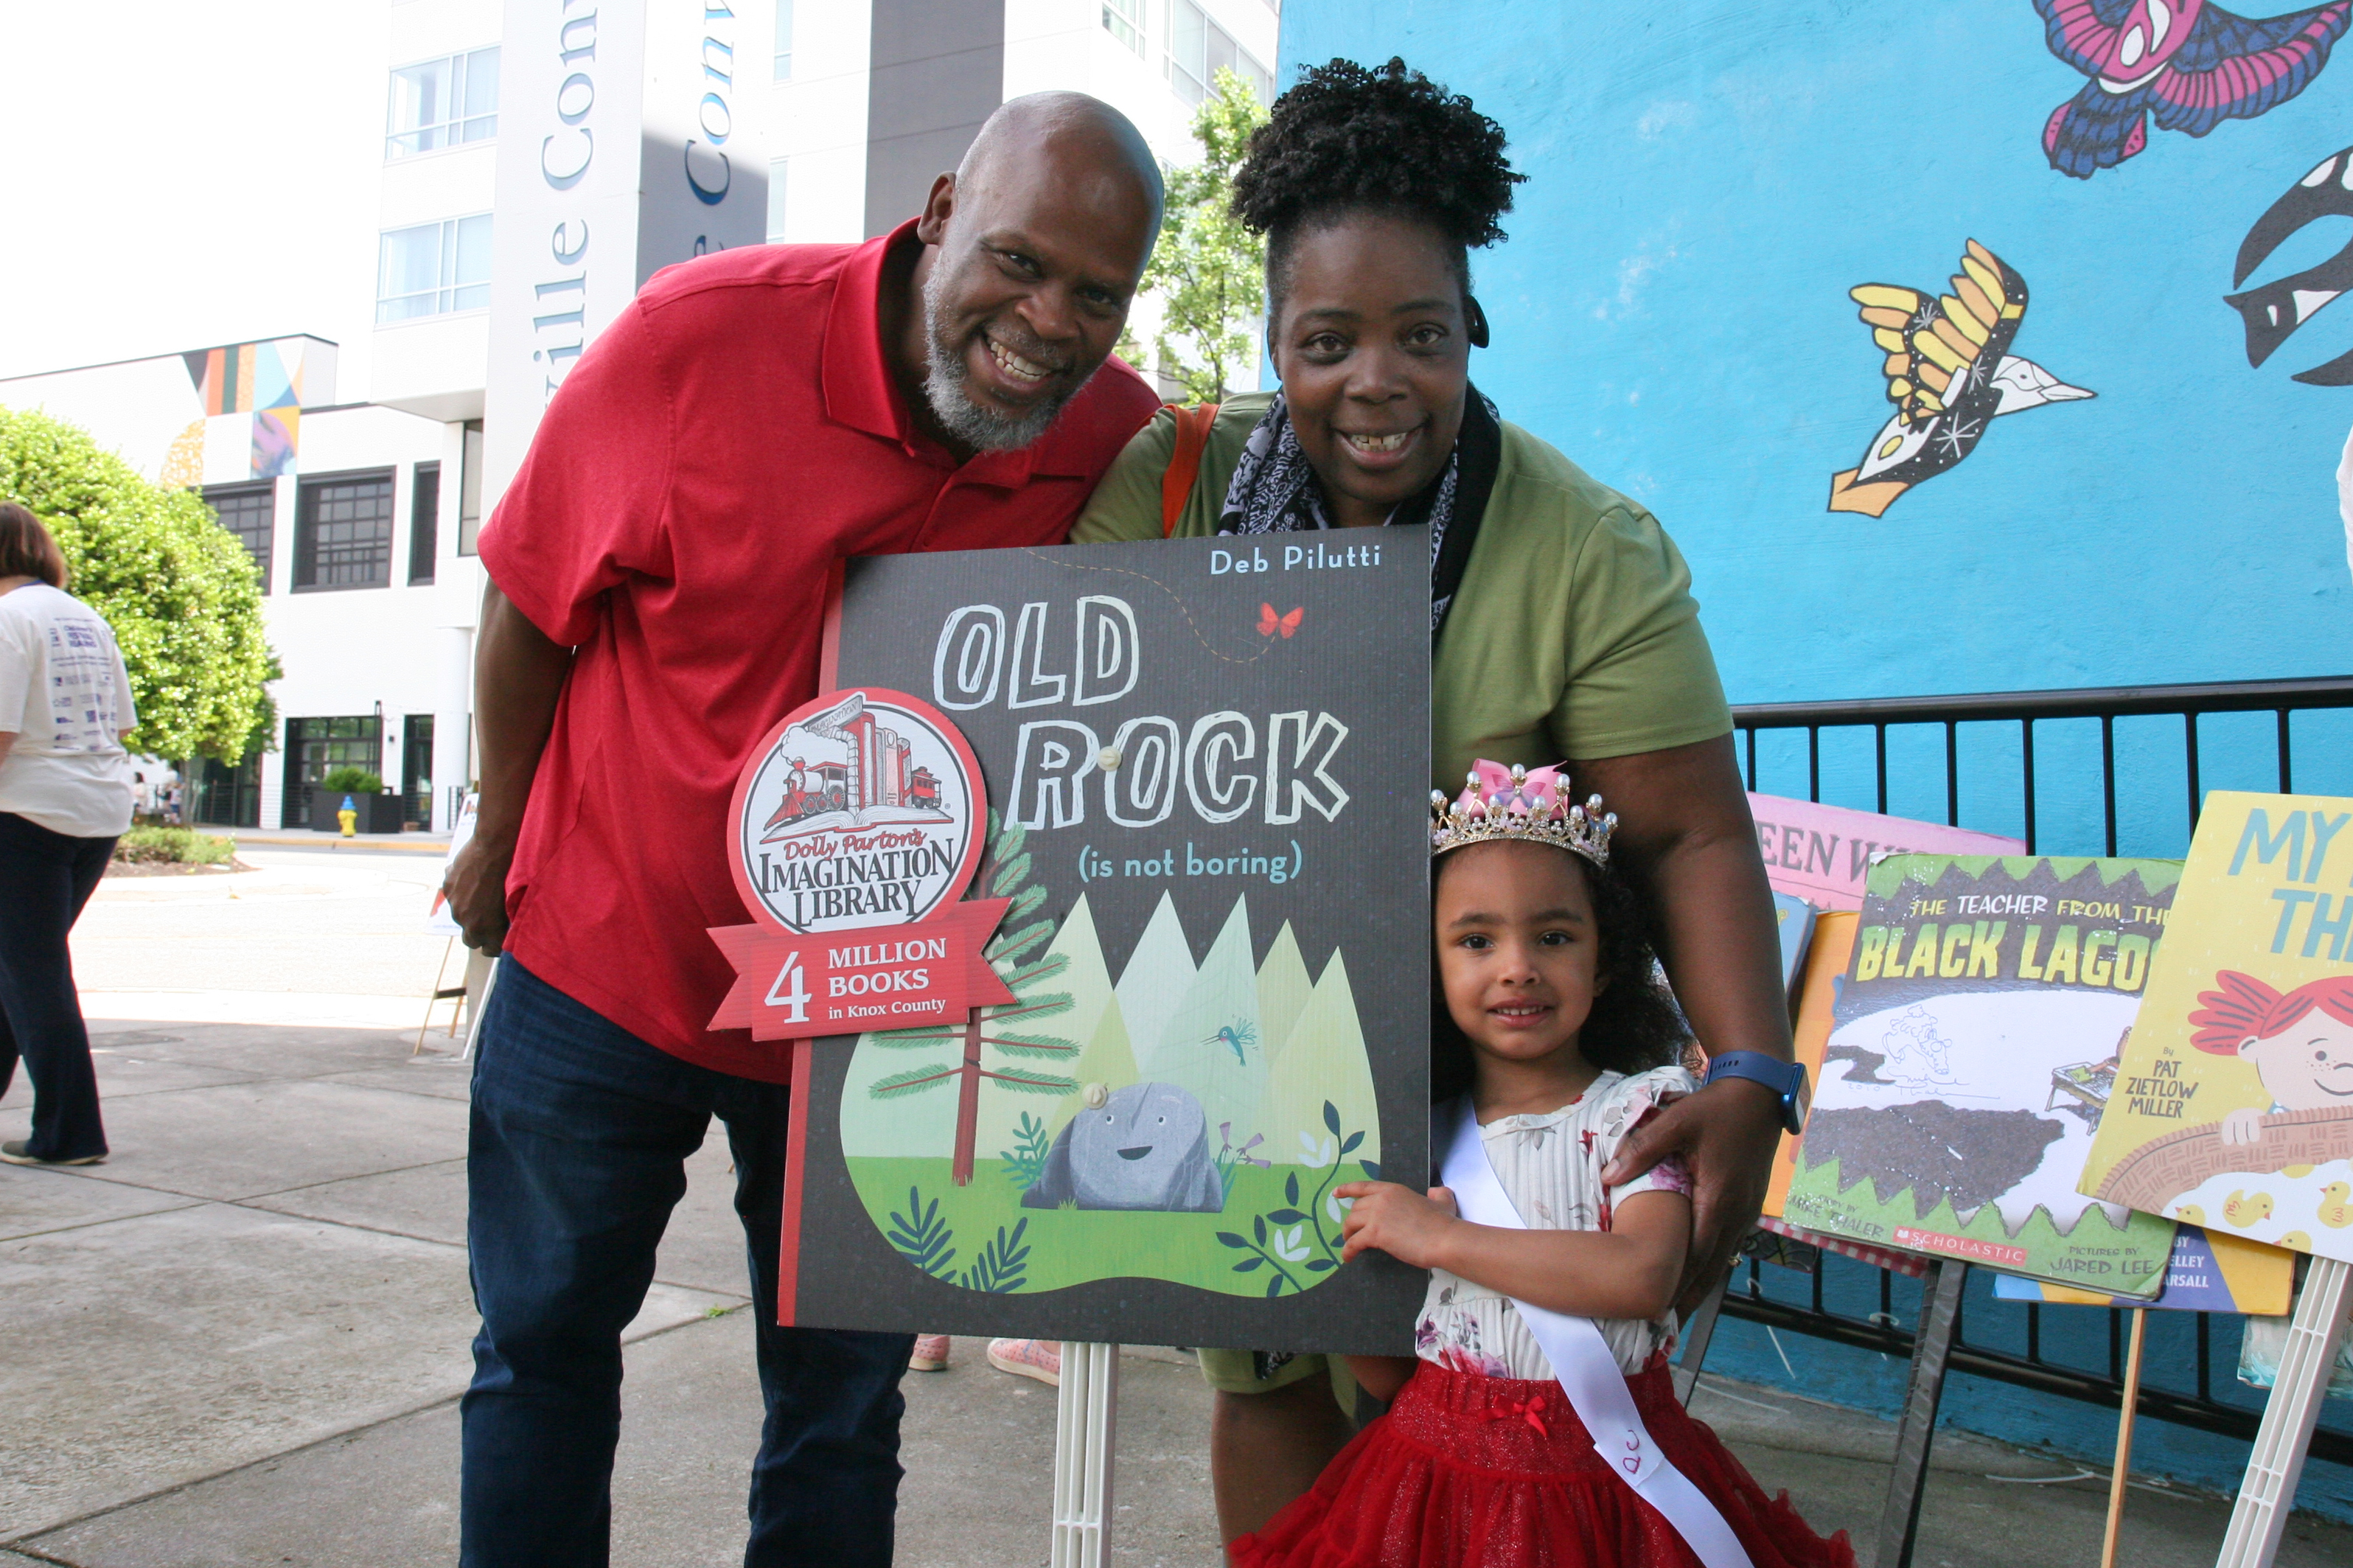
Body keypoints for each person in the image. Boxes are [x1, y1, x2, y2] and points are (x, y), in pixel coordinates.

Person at [1070, 59, 1805, 1544]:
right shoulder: (1174, 487)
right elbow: (1064, 748)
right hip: (1241, 1043)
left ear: (1471, 326)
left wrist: (1754, 1072)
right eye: (1325, 340)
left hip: (1496, 1080)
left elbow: (1686, 828)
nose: (1375, 382)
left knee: (1476, 1413)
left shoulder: (1585, 545)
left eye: (1421, 334)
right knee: (1270, 1374)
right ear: (1274, 339)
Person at [439, 93, 1165, 1567]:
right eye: (1021, 262)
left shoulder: (1114, 436)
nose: (1049, 321)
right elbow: (529, 596)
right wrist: (495, 835)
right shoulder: (694, 339)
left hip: (872, 1012)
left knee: (841, 1401)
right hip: (606, 957)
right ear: (944, 207)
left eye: (1098, 293)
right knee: (542, 1347)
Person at [1230, 764, 1851, 1568]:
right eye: (1477, 940)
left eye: (1554, 938)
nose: (1517, 966)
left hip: (1607, 1494)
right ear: (1431, 965)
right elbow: (1385, 1366)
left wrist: (1438, 1240)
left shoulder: (1639, 1113)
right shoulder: (1413, 1136)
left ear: (1603, 963)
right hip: (1430, 1486)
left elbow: (1641, 1273)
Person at [0, 502, 136, 1169]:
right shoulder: (83, 617)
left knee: (33, 971)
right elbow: (124, 722)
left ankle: (69, 1132)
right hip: (99, 808)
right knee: (20, 964)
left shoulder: (6, 620)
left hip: (24, 810)